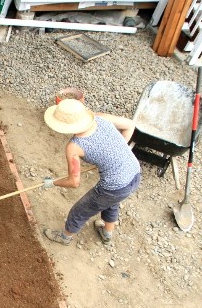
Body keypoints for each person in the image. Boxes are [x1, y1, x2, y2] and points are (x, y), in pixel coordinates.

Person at [41, 98, 141, 246]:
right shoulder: (101, 117)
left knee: (80, 211)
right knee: (112, 203)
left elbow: (74, 182)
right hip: (134, 173)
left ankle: (65, 237)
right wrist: (114, 154)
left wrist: (53, 183)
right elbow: (130, 125)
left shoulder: (74, 147)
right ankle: (106, 234)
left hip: (113, 187)